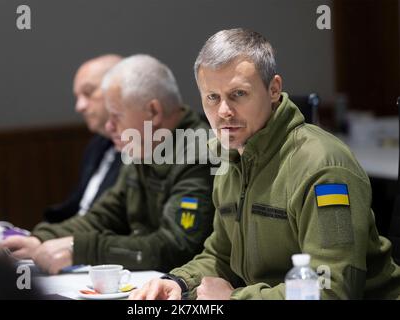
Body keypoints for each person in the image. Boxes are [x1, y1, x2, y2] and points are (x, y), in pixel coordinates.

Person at [129, 28, 400, 300]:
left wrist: (235, 299)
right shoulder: (229, 156)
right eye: (212, 97)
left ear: (273, 90)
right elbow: (221, 255)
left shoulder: (323, 166)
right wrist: (179, 282)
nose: (223, 111)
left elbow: (332, 289)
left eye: (238, 94)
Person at [0, 54, 215, 275]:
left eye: (116, 117)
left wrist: (81, 249)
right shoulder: (145, 145)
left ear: (154, 112)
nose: (110, 127)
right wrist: (40, 238)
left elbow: (176, 247)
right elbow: (106, 214)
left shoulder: (199, 153)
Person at [44, 54, 123, 223]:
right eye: (77, 96)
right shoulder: (96, 145)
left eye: (88, 93)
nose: (79, 107)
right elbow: (75, 207)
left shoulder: (146, 148)